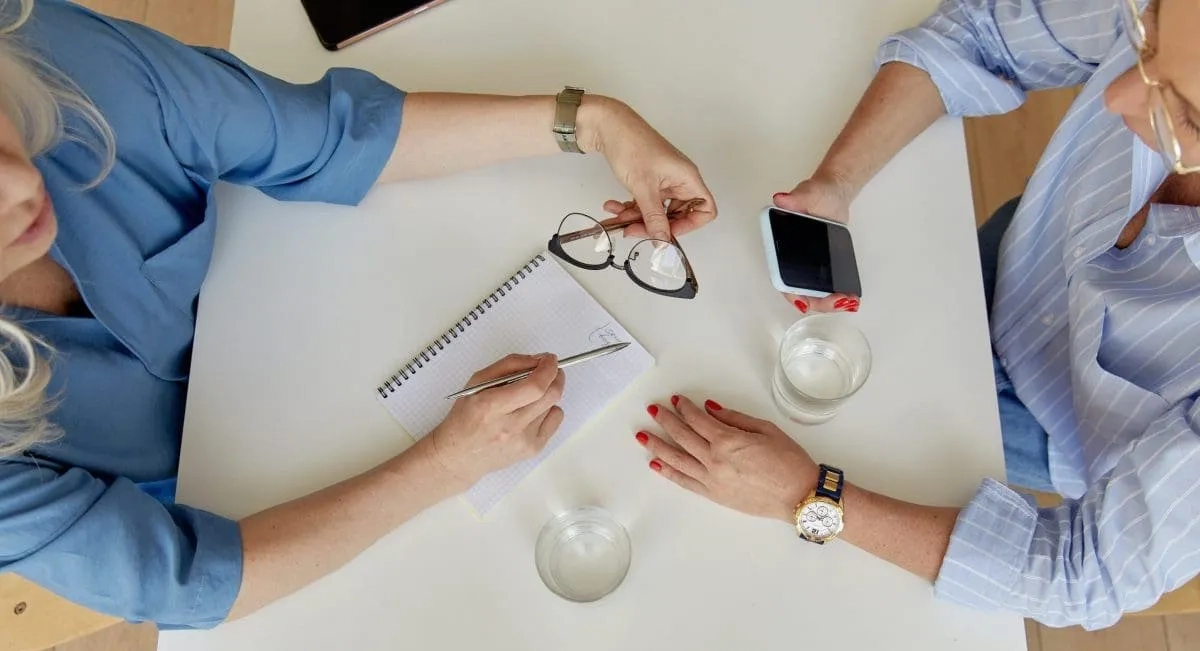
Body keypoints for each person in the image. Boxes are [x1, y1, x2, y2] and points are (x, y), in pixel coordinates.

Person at [0, 0, 715, 629]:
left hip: (314, 330)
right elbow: (180, 581)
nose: (15, 179)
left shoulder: (47, 54)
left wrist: (591, 123)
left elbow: (328, 137)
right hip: (259, 513)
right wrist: (448, 464)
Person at [636, 0, 1200, 631]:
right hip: (1019, 264)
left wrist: (809, 498)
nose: (1116, 98)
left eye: (1184, 117)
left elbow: (1081, 573)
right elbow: (982, 33)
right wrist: (836, 184)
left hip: (1053, 425)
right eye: (1144, 45)